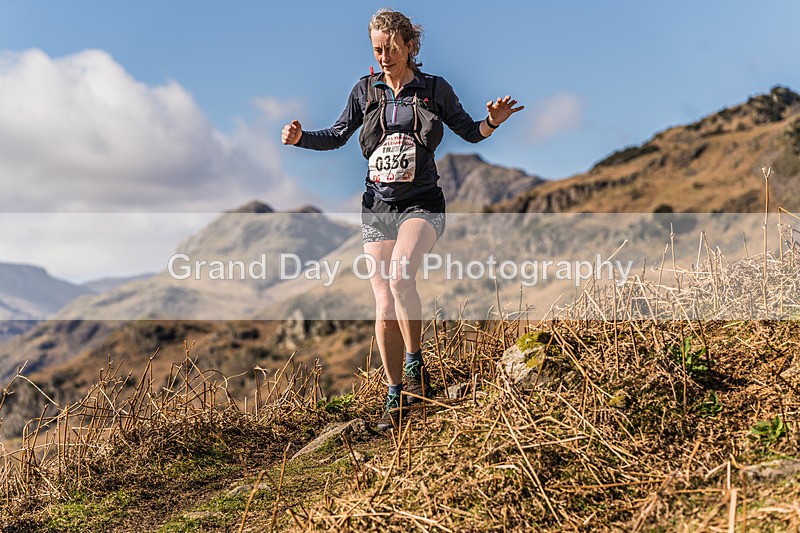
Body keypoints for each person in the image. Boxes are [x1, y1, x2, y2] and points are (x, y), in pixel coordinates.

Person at [282, 8, 523, 430]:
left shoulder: (434, 89)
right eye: (377, 49)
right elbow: (338, 134)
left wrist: (492, 123)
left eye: (392, 47)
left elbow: (469, 130)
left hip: (423, 202)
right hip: (377, 206)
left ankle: (415, 364)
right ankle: (396, 394)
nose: (385, 56)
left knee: (400, 279)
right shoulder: (365, 91)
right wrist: (302, 139)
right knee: (382, 298)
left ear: (410, 46)